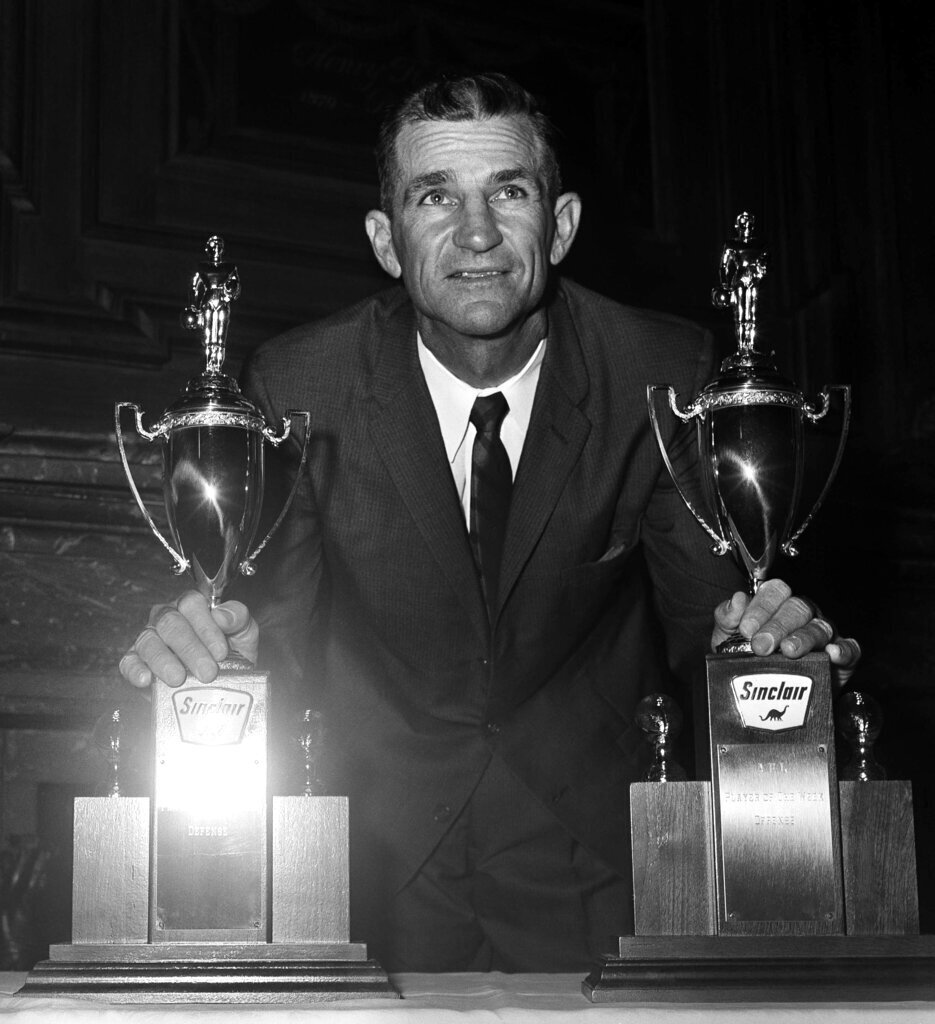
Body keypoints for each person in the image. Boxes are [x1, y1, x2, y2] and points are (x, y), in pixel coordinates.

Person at [120, 72, 859, 972]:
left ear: (561, 225)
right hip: (371, 841)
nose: (475, 234)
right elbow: (270, 632)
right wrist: (205, 647)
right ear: (386, 242)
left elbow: (705, 627)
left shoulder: (658, 372)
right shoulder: (299, 387)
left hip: (583, 834)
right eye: (435, 197)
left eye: (508, 192)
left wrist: (772, 649)